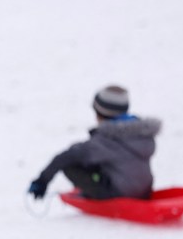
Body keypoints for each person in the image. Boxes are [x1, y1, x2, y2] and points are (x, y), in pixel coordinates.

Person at [28, 85, 161, 200]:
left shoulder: (105, 141)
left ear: (100, 113)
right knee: (102, 161)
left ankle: (93, 195)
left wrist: (42, 181)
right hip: (144, 191)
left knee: (71, 163)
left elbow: (64, 157)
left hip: (119, 194)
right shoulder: (142, 133)